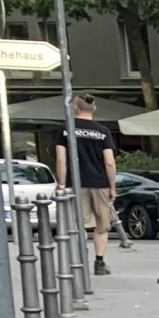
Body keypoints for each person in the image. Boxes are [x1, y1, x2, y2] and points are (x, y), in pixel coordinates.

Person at [53, 94, 116, 274]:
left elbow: (60, 158)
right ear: (94, 108)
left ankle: (80, 258)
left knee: (78, 223)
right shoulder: (103, 131)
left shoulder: (65, 128)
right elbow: (109, 162)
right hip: (99, 182)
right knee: (102, 224)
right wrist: (112, 186)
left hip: (76, 183)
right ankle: (99, 262)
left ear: (75, 107)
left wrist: (62, 184)